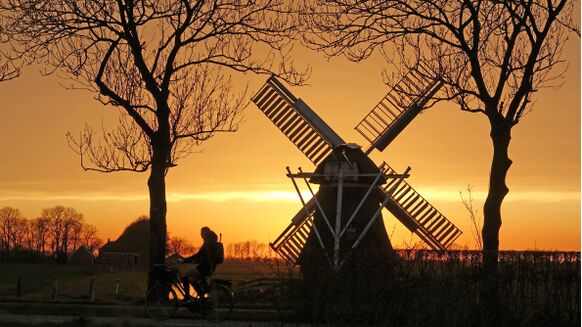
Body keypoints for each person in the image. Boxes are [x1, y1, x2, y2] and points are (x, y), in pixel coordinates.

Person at [180, 226, 219, 299]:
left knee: (184, 275)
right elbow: (204, 256)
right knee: (191, 280)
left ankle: (187, 297)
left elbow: (199, 255)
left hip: (204, 267)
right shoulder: (212, 242)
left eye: (202, 233)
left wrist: (185, 260)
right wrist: (194, 261)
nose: (200, 235)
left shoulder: (208, 242)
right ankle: (201, 297)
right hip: (209, 267)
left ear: (205, 233)